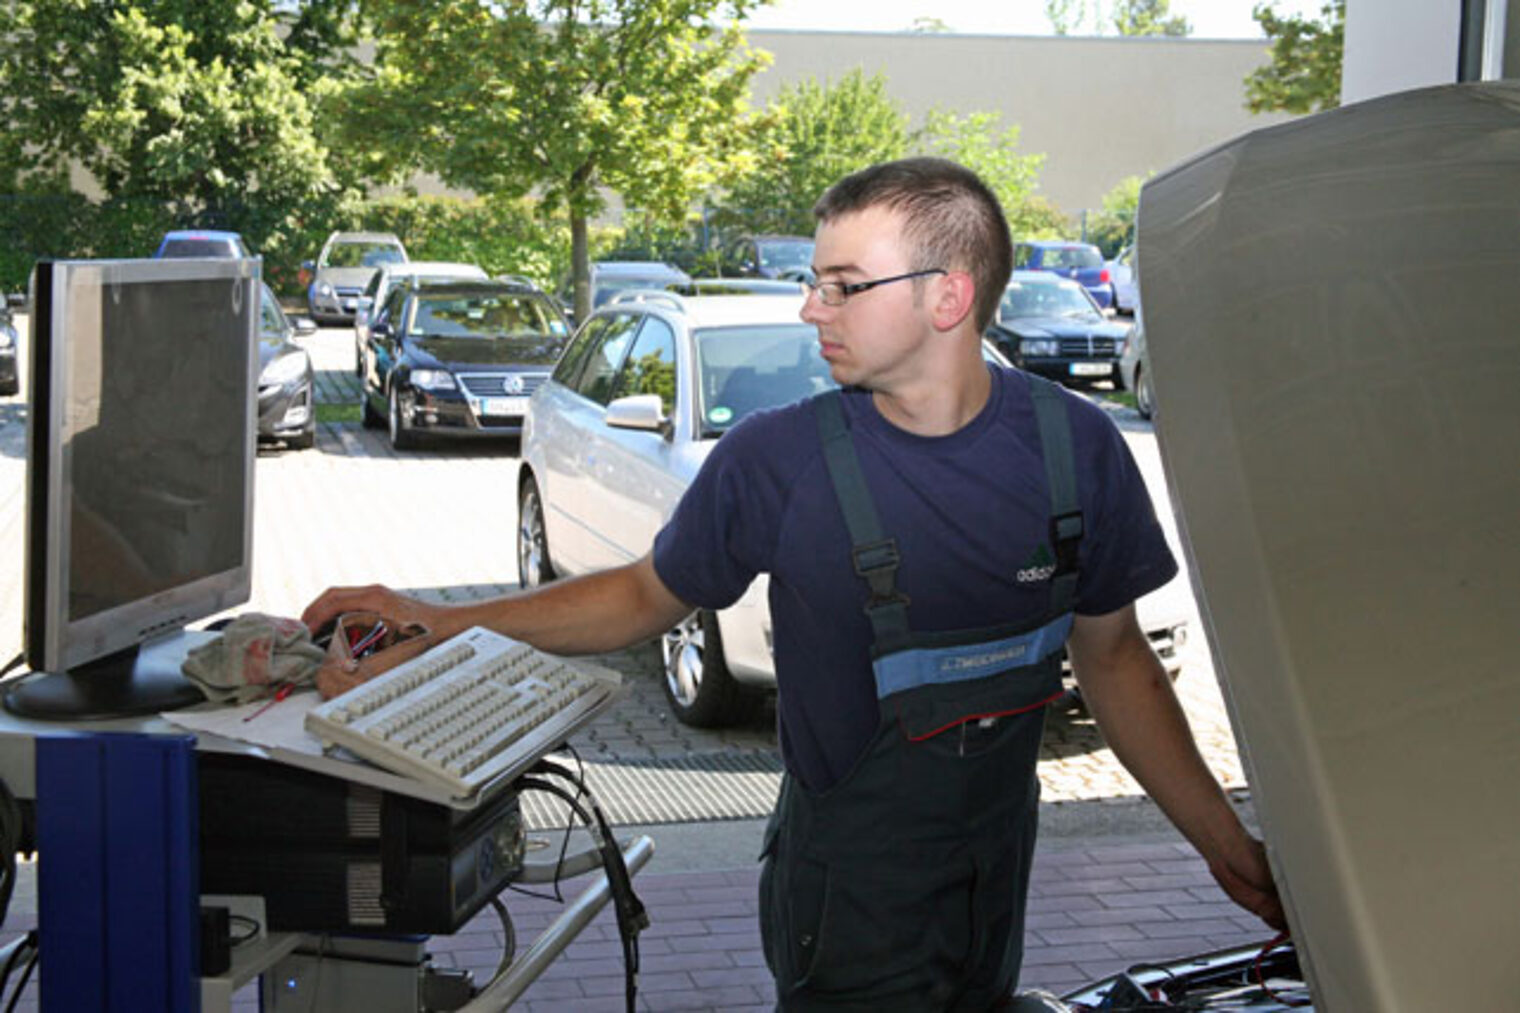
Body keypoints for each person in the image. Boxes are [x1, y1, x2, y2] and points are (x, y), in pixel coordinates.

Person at [303, 157, 1284, 1010]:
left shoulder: (1079, 449)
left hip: (997, 868)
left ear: (946, 296)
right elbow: (642, 597)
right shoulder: (776, 461)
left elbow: (1113, 660)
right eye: (814, 282)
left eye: (842, 285)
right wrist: (441, 619)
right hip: (846, 894)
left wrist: (1221, 843)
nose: (810, 307)